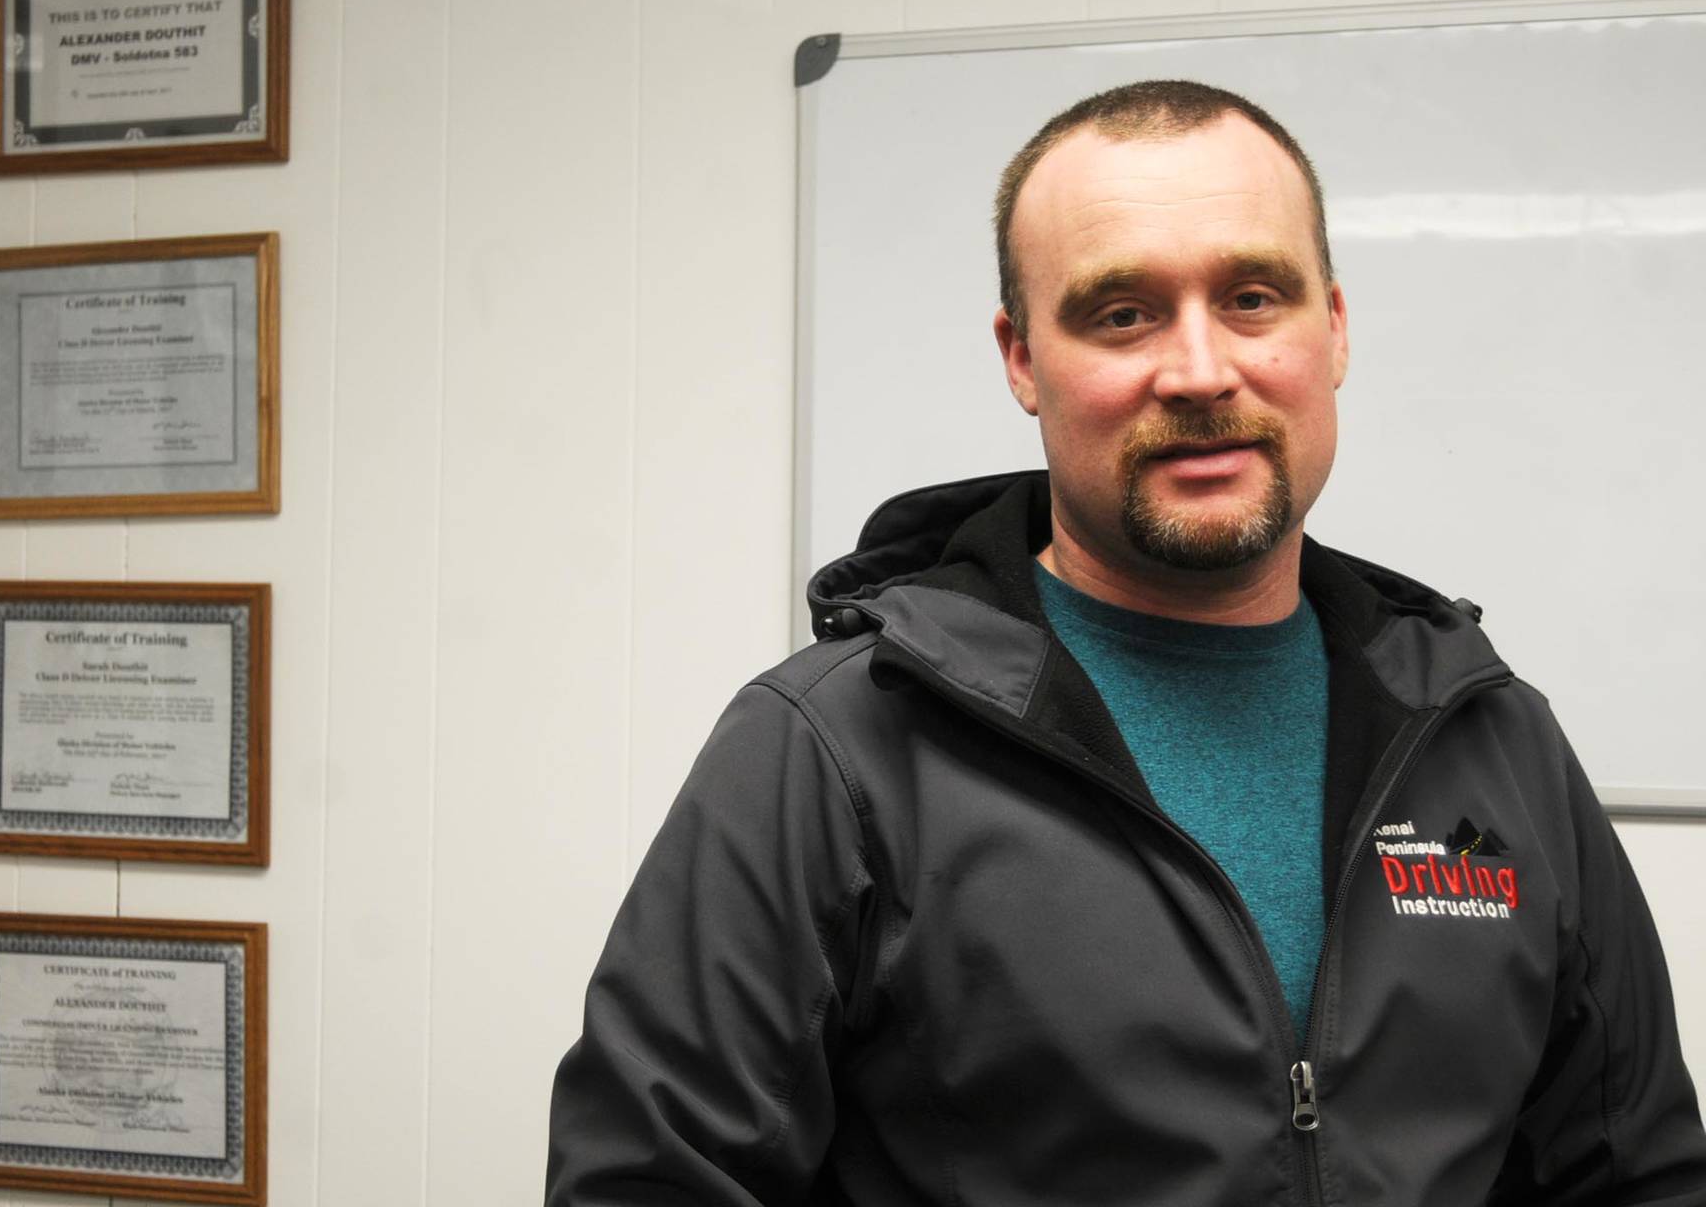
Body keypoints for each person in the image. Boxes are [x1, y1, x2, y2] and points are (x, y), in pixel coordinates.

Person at [545, 80, 1706, 1204]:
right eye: (1120, 312)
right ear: (1019, 361)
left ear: (1333, 329)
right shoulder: (834, 750)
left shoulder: (1488, 734)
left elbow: (1635, 1171)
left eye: (1252, 297)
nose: (1200, 370)